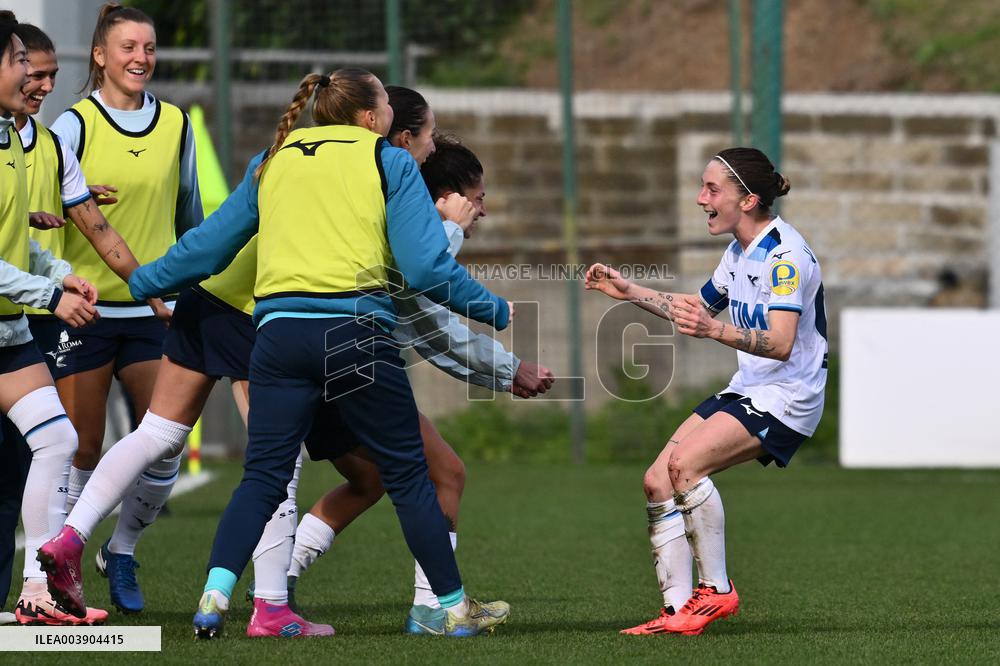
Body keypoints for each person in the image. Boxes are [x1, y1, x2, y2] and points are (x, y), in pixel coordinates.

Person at [43, 67, 513, 639]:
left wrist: (143, 284)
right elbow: (422, 269)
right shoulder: (387, 162)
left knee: (258, 476)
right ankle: (449, 607)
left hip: (275, 334)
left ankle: (214, 599)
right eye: (387, 102)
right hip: (350, 334)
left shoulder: (275, 156)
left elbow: (210, 244)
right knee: (409, 476)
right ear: (372, 118)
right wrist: (495, 309)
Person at [284, 133, 554, 636]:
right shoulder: (414, 240)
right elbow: (435, 326)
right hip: (349, 362)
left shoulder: (378, 217)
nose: (483, 211)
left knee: (369, 481)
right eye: (477, 199)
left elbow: (430, 326)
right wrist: (508, 367)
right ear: (444, 198)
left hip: (303, 355)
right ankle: (433, 608)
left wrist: (504, 370)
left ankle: (278, 585)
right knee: (445, 473)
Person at [585, 147, 827, 636]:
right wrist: (630, 292)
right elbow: (698, 306)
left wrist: (714, 332)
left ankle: (716, 590)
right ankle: (677, 616)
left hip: (789, 396)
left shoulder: (785, 257)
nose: (701, 198)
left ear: (749, 199)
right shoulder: (739, 251)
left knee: (685, 467)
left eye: (712, 189)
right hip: (751, 387)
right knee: (657, 480)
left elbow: (780, 344)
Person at [46, 2, 200, 614]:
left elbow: (191, 215)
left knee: (166, 441)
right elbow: (46, 214)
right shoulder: (72, 126)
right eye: (129, 47)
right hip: (86, 314)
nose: (141, 58)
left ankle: (124, 549)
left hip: (156, 314)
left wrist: (193, 285)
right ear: (100, 55)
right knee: (81, 449)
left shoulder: (178, 124)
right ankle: (63, 572)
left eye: (150, 48)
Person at [0, 11, 103, 626]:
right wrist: (47, 295)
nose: (29, 75)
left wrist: (57, 271)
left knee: (58, 441)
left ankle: (38, 594)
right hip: (15, 318)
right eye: (17, 61)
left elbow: (13, 239)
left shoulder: (14, 138)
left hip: (7, 333)